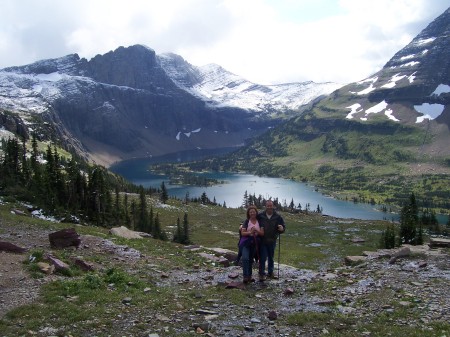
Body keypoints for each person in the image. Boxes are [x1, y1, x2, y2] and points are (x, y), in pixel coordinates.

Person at [258, 200, 285, 280]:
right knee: (263, 257)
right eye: (268, 206)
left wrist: (282, 228)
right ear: (265, 206)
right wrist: (242, 224)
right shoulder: (260, 215)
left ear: (273, 206)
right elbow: (252, 220)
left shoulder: (278, 217)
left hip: (272, 240)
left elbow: (283, 227)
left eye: (271, 206)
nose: (269, 207)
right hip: (263, 240)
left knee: (271, 257)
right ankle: (261, 273)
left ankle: (270, 272)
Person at [239, 205, 264, 283]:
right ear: (248, 213)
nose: (252, 213)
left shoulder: (259, 221)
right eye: (250, 212)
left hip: (254, 243)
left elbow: (262, 233)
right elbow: (242, 233)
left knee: (250, 260)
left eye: (253, 211)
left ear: (256, 212)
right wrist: (250, 232)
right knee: (245, 258)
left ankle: (249, 276)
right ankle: (245, 276)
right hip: (246, 243)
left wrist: (256, 230)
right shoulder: (246, 221)